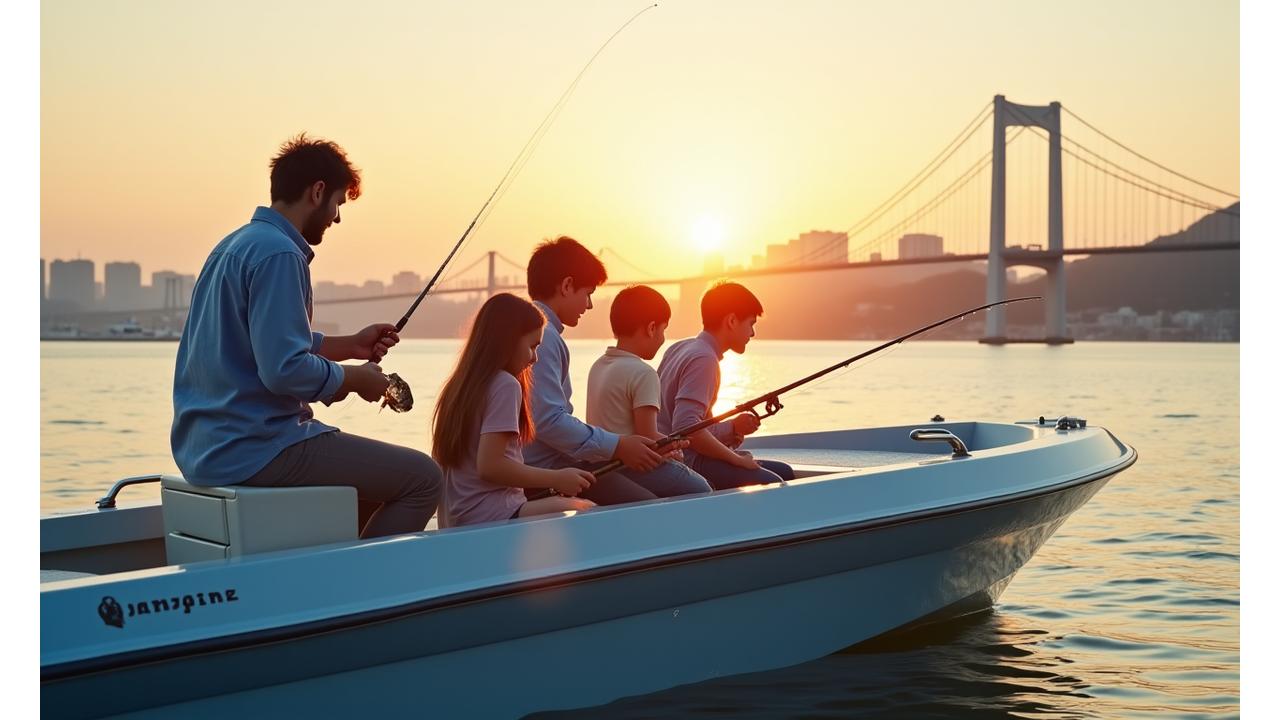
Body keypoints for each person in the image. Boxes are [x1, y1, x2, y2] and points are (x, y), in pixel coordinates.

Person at [171, 133, 441, 539]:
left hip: (204, 447)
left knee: (376, 484)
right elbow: (283, 370)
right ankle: (370, 592)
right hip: (256, 446)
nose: (336, 218)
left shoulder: (234, 245)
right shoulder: (281, 254)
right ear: (317, 192)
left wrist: (351, 345)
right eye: (337, 203)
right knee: (424, 478)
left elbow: (262, 344)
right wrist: (355, 379)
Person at [523, 237, 687, 505]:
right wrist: (619, 445)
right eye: (587, 293)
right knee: (646, 505)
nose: (588, 305)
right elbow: (548, 420)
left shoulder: (529, 329)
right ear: (566, 286)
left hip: (552, 462)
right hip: (547, 469)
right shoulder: (544, 336)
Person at [432, 293, 597, 527]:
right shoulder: (505, 385)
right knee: (587, 510)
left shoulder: (459, 386)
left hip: (458, 518)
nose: (535, 358)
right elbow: (491, 466)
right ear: (507, 341)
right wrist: (558, 478)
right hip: (494, 516)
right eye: (532, 346)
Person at [656, 281, 795, 489]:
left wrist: (732, 428)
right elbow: (685, 428)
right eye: (751, 323)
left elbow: (687, 425)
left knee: (785, 471)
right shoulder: (704, 359)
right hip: (687, 462)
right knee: (774, 483)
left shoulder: (680, 347)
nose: (753, 333)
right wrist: (736, 459)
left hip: (679, 455)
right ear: (731, 320)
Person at [585, 285, 711, 497]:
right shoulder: (643, 373)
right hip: (631, 467)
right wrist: (676, 447)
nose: (663, 338)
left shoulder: (598, 366)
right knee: (702, 488)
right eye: (663, 330)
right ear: (651, 328)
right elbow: (648, 437)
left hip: (599, 464)